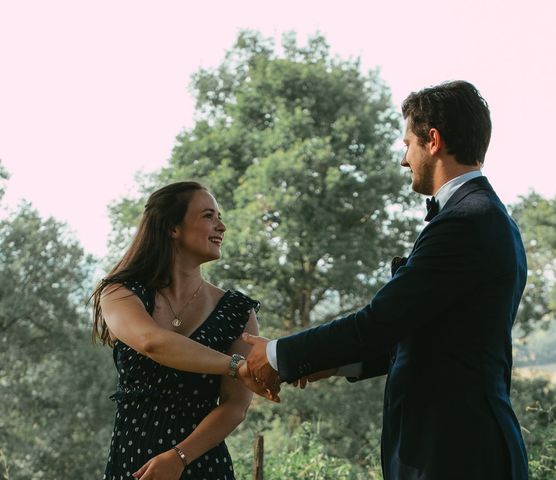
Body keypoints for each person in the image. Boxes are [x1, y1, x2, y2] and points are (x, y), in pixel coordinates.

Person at [243, 80, 529, 479]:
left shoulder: (465, 223)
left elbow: (380, 321)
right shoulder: (486, 217)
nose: (403, 159)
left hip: (456, 453)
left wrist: (276, 354)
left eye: (406, 143)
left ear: (433, 140)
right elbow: (427, 335)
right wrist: (330, 364)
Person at [92, 181, 278, 480]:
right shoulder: (120, 293)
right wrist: (237, 367)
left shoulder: (238, 311)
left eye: (219, 216)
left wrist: (179, 457)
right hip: (134, 461)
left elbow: (235, 406)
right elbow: (152, 342)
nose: (222, 226)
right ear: (172, 228)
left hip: (203, 463)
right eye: (208, 216)